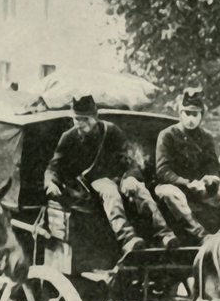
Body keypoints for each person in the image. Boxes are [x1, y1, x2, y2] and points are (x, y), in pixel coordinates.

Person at [45, 94, 177, 254]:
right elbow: (54, 166)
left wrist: (130, 177)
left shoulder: (111, 131)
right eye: (76, 119)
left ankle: (165, 235)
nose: (80, 124)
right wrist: (51, 182)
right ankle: (128, 239)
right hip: (93, 182)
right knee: (110, 193)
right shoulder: (69, 137)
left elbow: (130, 159)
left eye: (85, 119)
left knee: (140, 190)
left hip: (119, 177)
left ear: (95, 117)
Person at [153, 87, 220, 240]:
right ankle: (201, 235)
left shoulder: (206, 137)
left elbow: (212, 164)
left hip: (201, 188)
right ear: (180, 113)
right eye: (186, 113)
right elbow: (163, 171)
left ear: (201, 115)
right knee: (170, 193)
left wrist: (212, 178)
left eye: (195, 114)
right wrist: (186, 183)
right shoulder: (167, 135)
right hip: (175, 186)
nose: (190, 118)